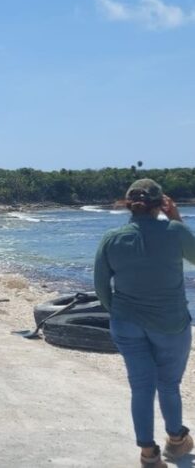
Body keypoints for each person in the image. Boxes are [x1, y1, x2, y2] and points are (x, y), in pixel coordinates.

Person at [94, 178, 195, 467]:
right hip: (170, 324)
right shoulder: (174, 231)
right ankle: (176, 441)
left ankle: (148, 454)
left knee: (141, 387)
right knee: (169, 384)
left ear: (128, 205)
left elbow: (101, 286)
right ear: (161, 203)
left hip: (126, 324)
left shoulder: (112, 238)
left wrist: (120, 312)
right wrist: (175, 218)